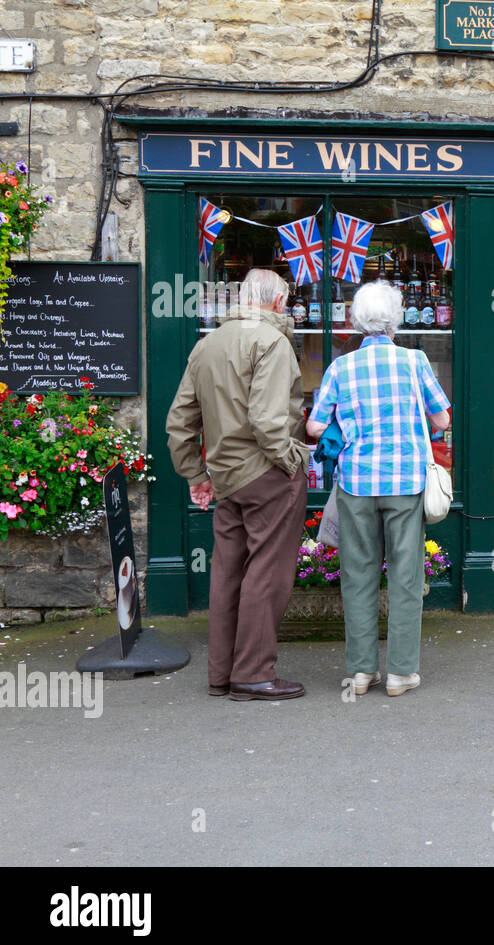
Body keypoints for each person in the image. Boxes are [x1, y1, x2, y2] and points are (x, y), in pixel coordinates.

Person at [166, 268, 309, 701]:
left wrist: (196, 474)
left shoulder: (206, 344)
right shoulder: (272, 342)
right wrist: (290, 461)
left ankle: (222, 675)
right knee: (267, 572)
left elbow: (178, 423)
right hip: (267, 474)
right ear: (278, 303)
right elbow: (268, 422)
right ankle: (253, 674)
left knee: (228, 573)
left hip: (226, 477)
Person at [307, 281, 450, 698]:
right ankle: (401, 673)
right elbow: (441, 421)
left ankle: (361, 672)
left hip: (356, 483)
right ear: (396, 319)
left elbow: (315, 427)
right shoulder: (415, 361)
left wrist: (347, 427)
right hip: (405, 482)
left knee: (357, 575)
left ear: (356, 320)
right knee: (406, 576)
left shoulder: (340, 367)